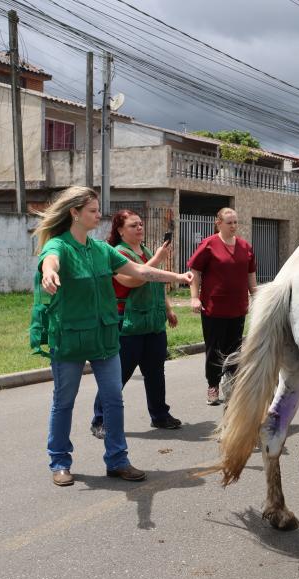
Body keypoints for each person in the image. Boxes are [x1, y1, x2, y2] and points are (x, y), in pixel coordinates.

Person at [30, 187, 193, 487]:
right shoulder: (59, 246)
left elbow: (141, 272)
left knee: (113, 400)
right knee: (63, 401)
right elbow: (49, 260)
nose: (98, 215)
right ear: (75, 213)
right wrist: (48, 273)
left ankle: (117, 460)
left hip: (104, 337)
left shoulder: (101, 250)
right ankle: (60, 461)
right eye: (92, 210)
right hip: (69, 338)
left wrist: (178, 277)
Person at [89, 210, 183, 440]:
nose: (139, 228)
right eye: (133, 225)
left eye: (140, 224)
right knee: (118, 375)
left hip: (152, 323)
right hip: (128, 325)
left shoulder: (147, 251)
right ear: (120, 230)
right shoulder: (116, 253)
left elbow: (156, 280)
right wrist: (159, 259)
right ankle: (100, 420)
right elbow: (132, 280)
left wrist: (168, 309)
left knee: (155, 372)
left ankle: (160, 414)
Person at [187, 207, 257, 405]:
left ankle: (232, 385)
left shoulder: (245, 247)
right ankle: (213, 385)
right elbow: (195, 271)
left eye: (236, 222)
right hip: (214, 307)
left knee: (235, 349)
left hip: (238, 307)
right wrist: (194, 297)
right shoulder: (209, 245)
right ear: (218, 223)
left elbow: (250, 274)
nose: (234, 226)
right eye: (229, 222)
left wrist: (255, 295)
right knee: (214, 349)